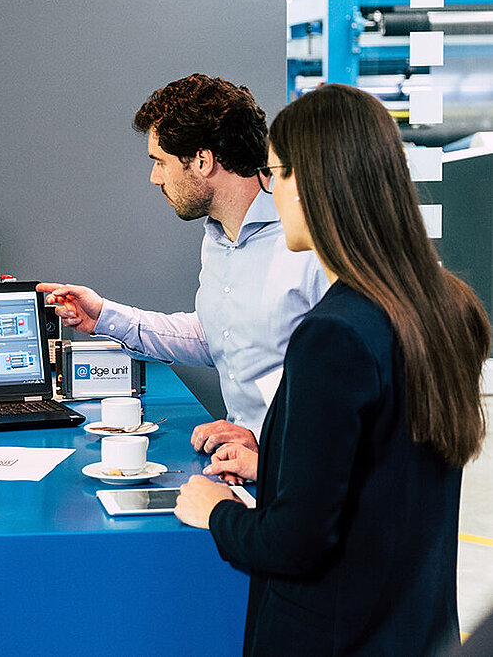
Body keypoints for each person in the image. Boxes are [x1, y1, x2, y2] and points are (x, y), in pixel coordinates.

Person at [174, 84, 489, 655]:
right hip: (418, 632)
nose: (270, 192)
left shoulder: (332, 334)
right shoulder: (447, 306)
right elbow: (390, 476)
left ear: (316, 181)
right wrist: (274, 463)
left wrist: (216, 512)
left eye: (275, 175)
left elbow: (293, 542)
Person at [39, 74, 328, 458]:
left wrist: (268, 443)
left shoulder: (307, 243)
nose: (154, 177)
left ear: (203, 161)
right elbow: (220, 336)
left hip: (296, 467)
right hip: (245, 461)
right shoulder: (218, 238)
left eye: (160, 162)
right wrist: (104, 315)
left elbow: (346, 388)